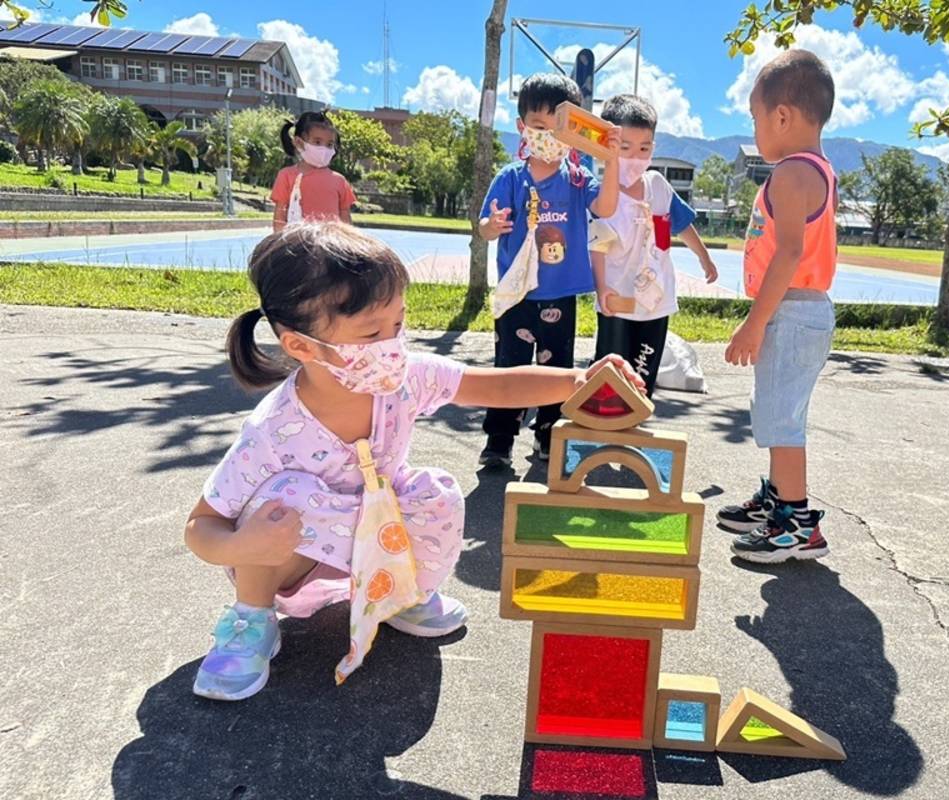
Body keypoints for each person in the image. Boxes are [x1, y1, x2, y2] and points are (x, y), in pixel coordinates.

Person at [187, 222, 644, 700]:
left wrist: (578, 379)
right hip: (297, 549)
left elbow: (494, 385)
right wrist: (246, 546)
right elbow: (202, 525)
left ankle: (402, 594)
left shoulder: (407, 377)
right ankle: (251, 620)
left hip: (375, 527)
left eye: (398, 326)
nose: (392, 346)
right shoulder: (274, 430)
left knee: (434, 491)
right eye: (371, 333)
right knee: (280, 501)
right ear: (301, 345)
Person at [717, 50, 839, 564]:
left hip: (790, 311)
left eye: (755, 116)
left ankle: (794, 523)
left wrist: (755, 322)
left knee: (781, 420)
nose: (755, 127)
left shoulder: (791, 173)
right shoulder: (817, 169)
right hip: (800, 311)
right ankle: (777, 498)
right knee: (777, 411)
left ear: (782, 116)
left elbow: (788, 252)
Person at [476, 73, 622, 467]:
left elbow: (606, 209)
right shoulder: (510, 178)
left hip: (560, 294)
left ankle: (548, 437)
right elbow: (485, 228)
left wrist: (611, 161)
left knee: (556, 370)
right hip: (517, 294)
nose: (547, 137)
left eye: (558, 129)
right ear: (522, 127)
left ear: (573, 132)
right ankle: (499, 441)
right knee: (510, 367)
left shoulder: (578, 180)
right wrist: (492, 226)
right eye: (539, 127)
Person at [587, 93, 719, 396]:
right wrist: (601, 287)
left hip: (655, 302)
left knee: (642, 380)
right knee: (610, 377)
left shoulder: (657, 186)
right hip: (616, 302)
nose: (635, 157)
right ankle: (604, 429)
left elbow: (682, 224)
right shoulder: (602, 196)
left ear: (653, 148)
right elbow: (597, 247)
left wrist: (704, 257)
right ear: (607, 146)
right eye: (625, 148)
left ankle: (634, 427)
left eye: (644, 148)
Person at [270, 111, 356, 232]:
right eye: (317, 142)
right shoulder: (286, 175)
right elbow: (280, 216)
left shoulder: (340, 180)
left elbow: (345, 218)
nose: (324, 149)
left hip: (330, 245)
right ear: (299, 143)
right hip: (297, 245)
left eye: (329, 144)